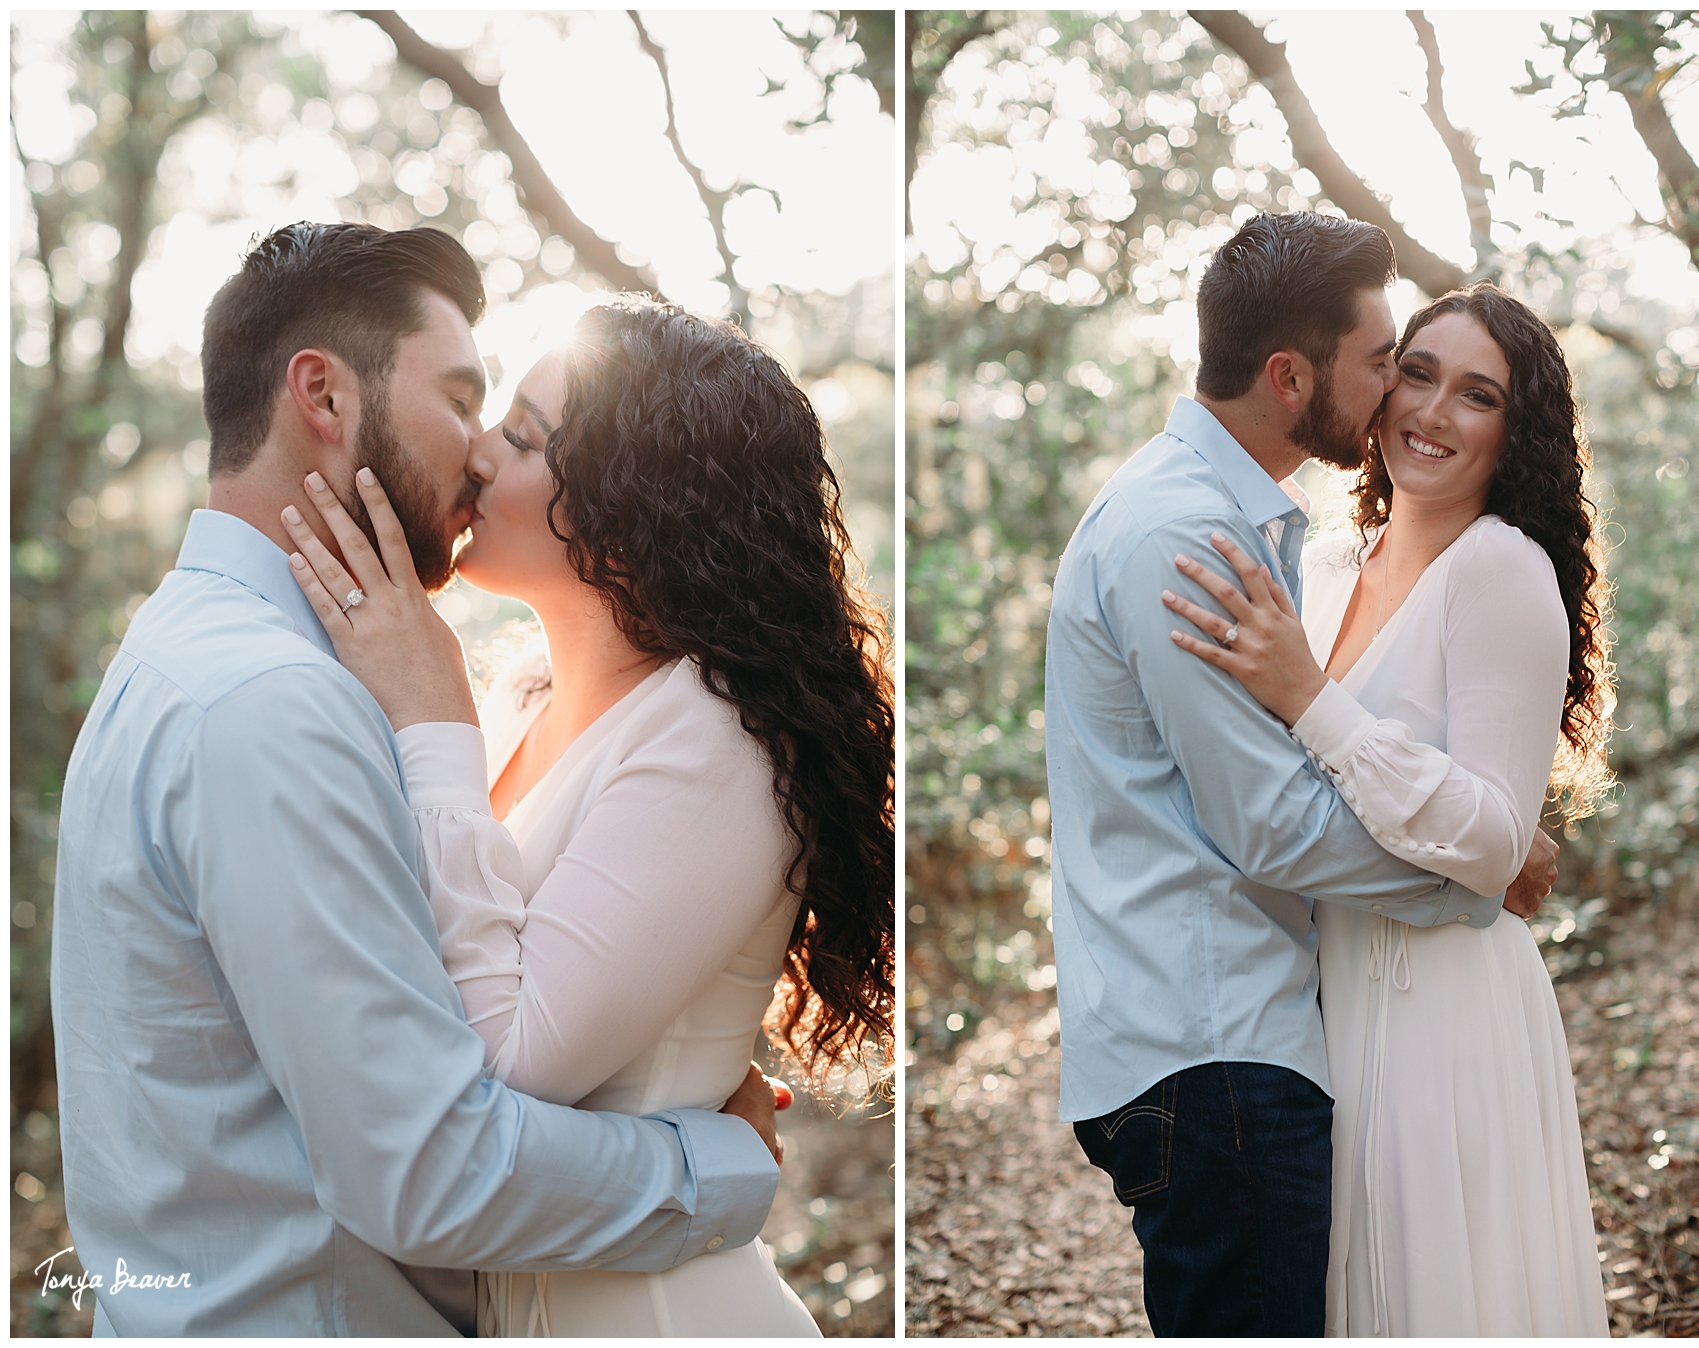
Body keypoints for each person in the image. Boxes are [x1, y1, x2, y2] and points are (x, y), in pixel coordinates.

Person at [50, 223, 784, 1336]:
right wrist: (712, 1160)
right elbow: (430, 1169)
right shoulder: (274, 706)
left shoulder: (188, 653)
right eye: (460, 397)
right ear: (326, 397)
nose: (479, 449)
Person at [278, 296, 895, 1336]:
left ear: (631, 505)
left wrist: (431, 721)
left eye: (520, 436)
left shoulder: (717, 734)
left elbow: (516, 1060)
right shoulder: (522, 692)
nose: (474, 454)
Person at [1042, 212, 1560, 1337]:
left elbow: (1334, 778)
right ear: (1291, 376)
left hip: (1340, 1026)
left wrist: (1485, 839)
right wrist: (1475, 874)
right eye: (1395, 366)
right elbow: (1278, 825)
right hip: (1226, 1043)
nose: (1404, 402)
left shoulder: (1254, 530)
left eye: (1472, 391)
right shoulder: (1197, 539)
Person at [1163, 281, 1612, 1336]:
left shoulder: (1498, 569)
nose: (1433, 413)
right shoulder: (1319, 568)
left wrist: (1310, 699)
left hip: (1443, 1007)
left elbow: (1496, 836)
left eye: (1477, 395)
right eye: (1417, 373)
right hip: (1320, 1002)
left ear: (1518, 431)